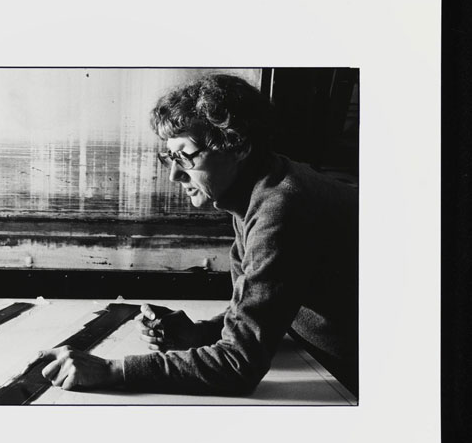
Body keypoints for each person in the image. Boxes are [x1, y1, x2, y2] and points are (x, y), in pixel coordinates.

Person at [34, 73, 359, 397]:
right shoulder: (261, 189)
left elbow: (237, 366)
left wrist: (112, 370)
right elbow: (266, 309)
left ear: (238, 146)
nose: (175, 174)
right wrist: (201, 333)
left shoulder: (283, 208)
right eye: (170, 158)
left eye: (186, 156)